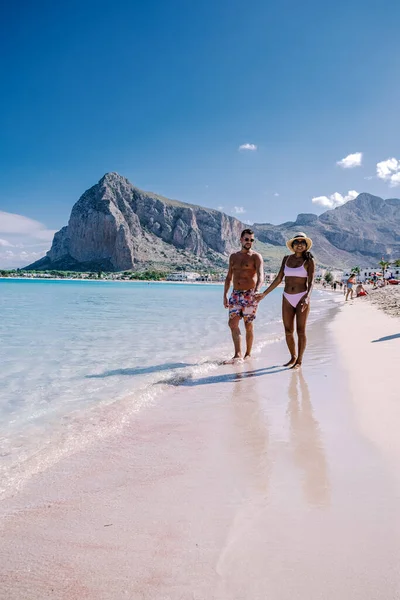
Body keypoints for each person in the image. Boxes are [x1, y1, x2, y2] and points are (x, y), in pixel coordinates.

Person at [256, 232, 315, 369]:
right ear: (292, 245)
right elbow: (278, 279)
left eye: (302, 242)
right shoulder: (286, 259)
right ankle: (292, 357)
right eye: (296, 242)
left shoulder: (309, 261)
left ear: (306, 245)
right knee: (288, 331)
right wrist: (264, 294)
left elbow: (311, 282)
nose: (299, 244)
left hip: (301, 297)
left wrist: (307, 297)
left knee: (301, 331)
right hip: (287, 297)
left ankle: (299, 361)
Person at [223, 229, 264, 362]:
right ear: (241, 240)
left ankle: (248, 353)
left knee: (248, 325)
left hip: (250, 294)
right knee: (232, 323)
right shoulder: (233, 256)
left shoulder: (256, 257)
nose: (249, 242)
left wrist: (257, 290)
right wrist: (225, 295)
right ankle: (238, 354)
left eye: (251, 240)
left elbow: (261, 276)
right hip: (235, 294)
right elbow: (229, 277)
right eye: (246, 239)